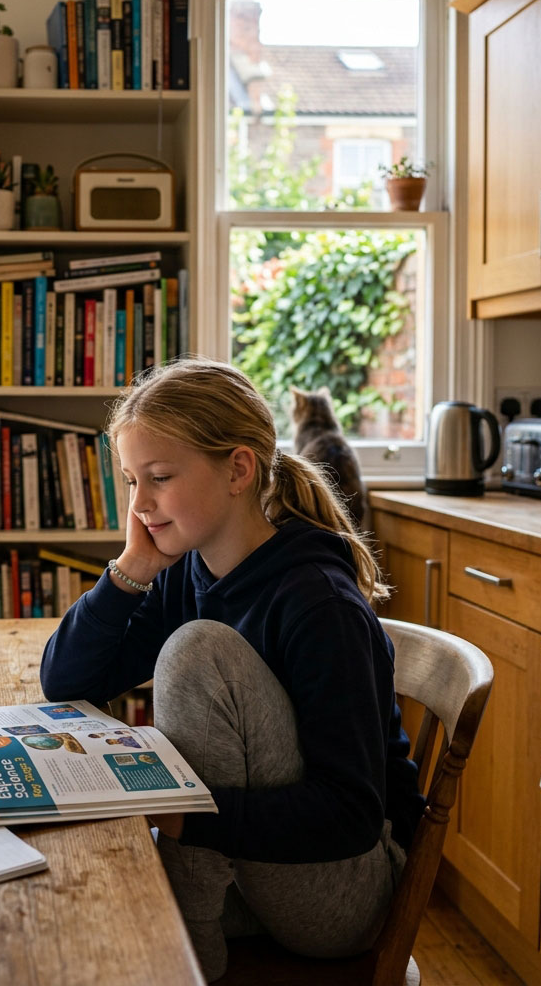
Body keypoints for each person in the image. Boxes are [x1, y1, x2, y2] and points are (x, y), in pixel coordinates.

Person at [39, 358, 423, 982]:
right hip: (248, 868)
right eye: (131, 481)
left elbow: (350, 814)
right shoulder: (189, 569)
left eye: (160, 477)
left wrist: (184, 815)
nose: (140, 504)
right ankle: (180, 936)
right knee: (86, 902)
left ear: (239, 469)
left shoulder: (317, 603)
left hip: (343, 893)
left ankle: (185, 957)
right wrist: (132, 566)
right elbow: (68, 682)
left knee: (195, 650)